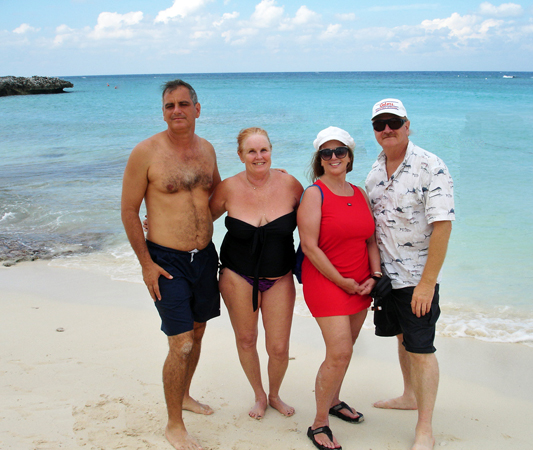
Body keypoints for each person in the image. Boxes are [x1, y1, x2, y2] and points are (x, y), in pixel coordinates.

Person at [121, 79, 221, 450]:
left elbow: (217, 196)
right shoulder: (145, 152)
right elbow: (129, 210)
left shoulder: (207, 150)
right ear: (163, 112)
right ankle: (174, 424)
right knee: (179, 343)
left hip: (205, 258)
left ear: (197, 108)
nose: (176, 111)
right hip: (165, 261)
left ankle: (184, 395)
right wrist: (146, 264)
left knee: (197, 334)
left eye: (183, 104)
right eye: (169, 106)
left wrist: (262, 197)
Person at [365, 98, 455, 450]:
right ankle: (408, 395)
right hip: (387, 279)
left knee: (420, 348)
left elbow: (443, 227)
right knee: (402, 339)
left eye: (393, 122)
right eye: (379, 124)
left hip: (417, 279)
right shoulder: (374, 170)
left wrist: (428, 284)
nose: (387, 129)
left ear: (407, 125)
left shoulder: (430, 165)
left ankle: (425, 429)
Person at [209, 127, 304, 419]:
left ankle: (274, 394)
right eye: (251, 151)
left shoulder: (290, 185)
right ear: (240, 156)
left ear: (271, 152)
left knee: (278, 347)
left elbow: (317, 222)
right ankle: (259, 395)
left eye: (264, 150)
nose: (259, 156)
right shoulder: (227, 188)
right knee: (246, 340)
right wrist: (158, 223)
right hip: (237, 276)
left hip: (279, 278)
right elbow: (199, 220)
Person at [298, 127, 381, 450]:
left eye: (340, 152)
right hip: (326, 281)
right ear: (319, 160)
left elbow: (370, 239)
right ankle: (319, 423)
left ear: (349, 157)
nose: (334, 158)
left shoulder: (359, 192)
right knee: (340, 351)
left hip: (361, 282)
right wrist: (341, 281)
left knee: (347, 347)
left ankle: (333, 400)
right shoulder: (314, 193)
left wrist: (374, 275)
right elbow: (309, 247)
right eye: (326, 153)